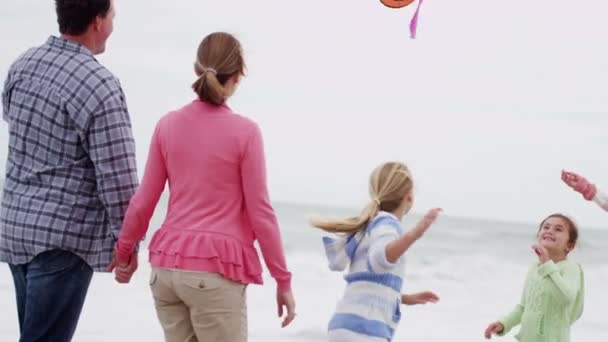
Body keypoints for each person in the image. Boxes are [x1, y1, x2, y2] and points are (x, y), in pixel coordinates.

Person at [110, 32, 296, 342]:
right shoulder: (245, 133)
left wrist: (124, 251)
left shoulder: (167, 125)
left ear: (197, 70)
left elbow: (144, 200)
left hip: (166, 271)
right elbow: (261, 213)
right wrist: (283, 280)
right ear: (238, 77)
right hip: (214, 274)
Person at [0, 0, 138, 341]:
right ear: (97, 22)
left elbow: (12, 119)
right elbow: (117, 174)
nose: (113, 25)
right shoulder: (99, 85)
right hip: (63, 237)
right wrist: (128, 242)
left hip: (16, 227)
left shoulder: (23, 65)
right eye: (112, 17)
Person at [312, 161, 441, 341]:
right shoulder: (387, 224)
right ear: (409, 197)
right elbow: (380, 259)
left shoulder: (370, 227)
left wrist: (403, 298)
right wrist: (416, 233)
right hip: (365, 330)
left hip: (346, 326)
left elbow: (369, 282)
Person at [484, 213, 585, 342]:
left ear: (570, 245)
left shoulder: (571, 268)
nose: (550, 231)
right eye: (546, 227)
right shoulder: (535, 269)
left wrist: (547, 265)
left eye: (558, 229)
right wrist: (504, 324)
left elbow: (566, 298)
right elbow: (524, 307)